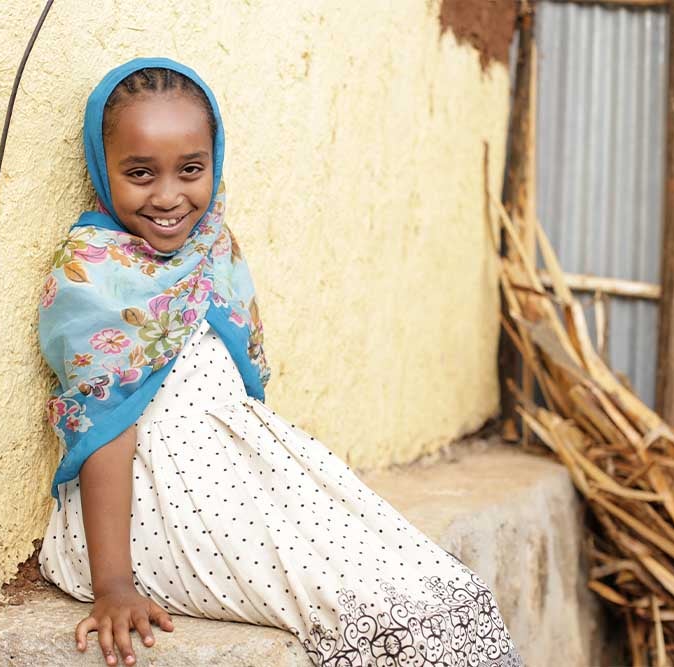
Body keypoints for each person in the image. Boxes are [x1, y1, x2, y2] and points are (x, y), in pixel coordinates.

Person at [37, 57, 524, 667]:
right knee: (379, 617)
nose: (168, 196)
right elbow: (104, 430)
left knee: (449, 593)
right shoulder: (94, 275)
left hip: (238, 471)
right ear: (102, 169)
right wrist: (114, 586)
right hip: (151, 506)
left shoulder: (213, 246)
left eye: (191, 170)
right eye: (140, 173)